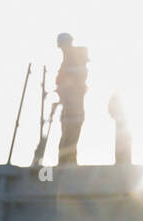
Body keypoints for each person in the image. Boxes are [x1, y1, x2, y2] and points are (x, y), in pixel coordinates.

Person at [55, 33, 88, 166]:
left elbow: (69, 82)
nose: (62, 50)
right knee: (69, 138)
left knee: (69, 138)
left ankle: (66, 165)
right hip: (70, 106)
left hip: (73, 107)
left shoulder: (73, 61)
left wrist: (63, 90)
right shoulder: (69, 60)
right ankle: (68, 163)